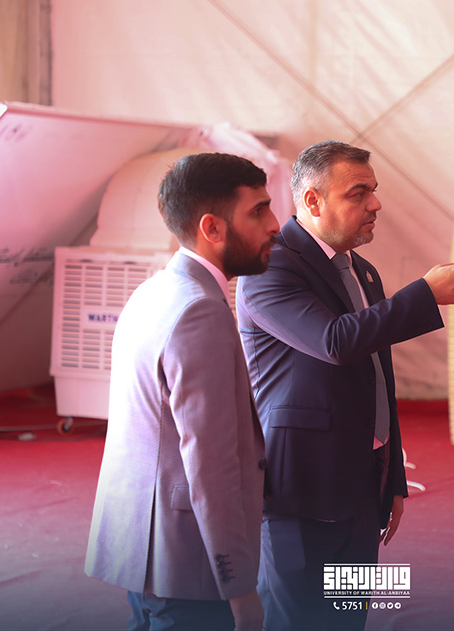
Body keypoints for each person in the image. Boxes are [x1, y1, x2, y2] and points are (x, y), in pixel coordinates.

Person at [236, 140, 454, 631]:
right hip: (300, 490)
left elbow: (378, 378)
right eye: (358, 193)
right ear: (312, 201)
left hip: (361, 486)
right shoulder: (270, 265)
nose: (375, 204)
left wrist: (391, 478)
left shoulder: (361, 269)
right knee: (298, 621)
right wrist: (425, 294)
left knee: (349, 618)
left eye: (374, 191)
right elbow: (334, 341)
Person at [85, 153, 280, 631]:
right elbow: (210, 463)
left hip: (146, 548)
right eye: (258, 211)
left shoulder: (155, 290)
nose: (275, 224)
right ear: (212, 228)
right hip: (188, 561)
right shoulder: (199, 310)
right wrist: (240, 589)